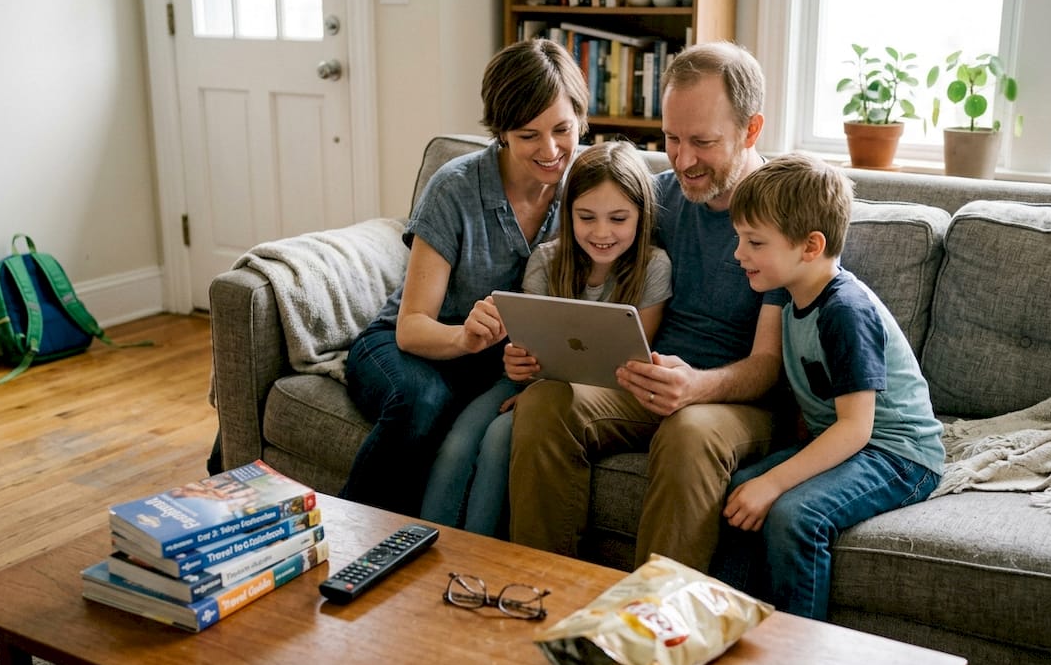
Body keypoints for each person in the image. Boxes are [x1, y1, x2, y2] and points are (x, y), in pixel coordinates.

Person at [508, 41, 792, 572]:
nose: (682, 161)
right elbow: (583, 256)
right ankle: (545, 593)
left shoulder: (781, 217)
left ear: (751, 131)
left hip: (738, 402)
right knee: (547, 403)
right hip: (646, 384)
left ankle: (650, 634)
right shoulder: (656, 196)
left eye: (702, 142)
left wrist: (699, 387)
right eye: (671, 139)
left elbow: (769, 365)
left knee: (690, 432)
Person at [338, 38, 590, 514]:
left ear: (579, 118)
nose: (551, 149)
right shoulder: (455, 189)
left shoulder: (588, 183)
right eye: (528, 135)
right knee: (424, 404)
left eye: (562, 129)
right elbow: (411, 327)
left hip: (497, 365)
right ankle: (351, 537)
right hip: (406, 344)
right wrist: (466, 340)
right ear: (501, 133)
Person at [712, 152, 944, 619]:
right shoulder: (795, 298)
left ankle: (796, 651)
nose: (739, 254)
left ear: (810, 246)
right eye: (740, 239)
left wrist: (777, 482)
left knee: (797, 516)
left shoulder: (845, 311)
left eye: (754, 242)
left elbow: (856, 429)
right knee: (740, 490)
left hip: (899, 456)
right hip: (853, 446)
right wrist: (764, 482)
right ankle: (727, 628)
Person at [420, 140, 673, 536]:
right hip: (531, 380)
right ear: (568, 213)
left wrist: (542, 393)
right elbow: (523, 345)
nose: (602, 232)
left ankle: (478, 557)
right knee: (460, 439)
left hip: (591, 392)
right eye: (586, 217)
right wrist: (516, 362)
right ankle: (423, 545)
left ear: (642, 216)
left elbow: (629, 360)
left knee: (501, 439)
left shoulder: (653, 267)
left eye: (619, 219)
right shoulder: (547, 260)